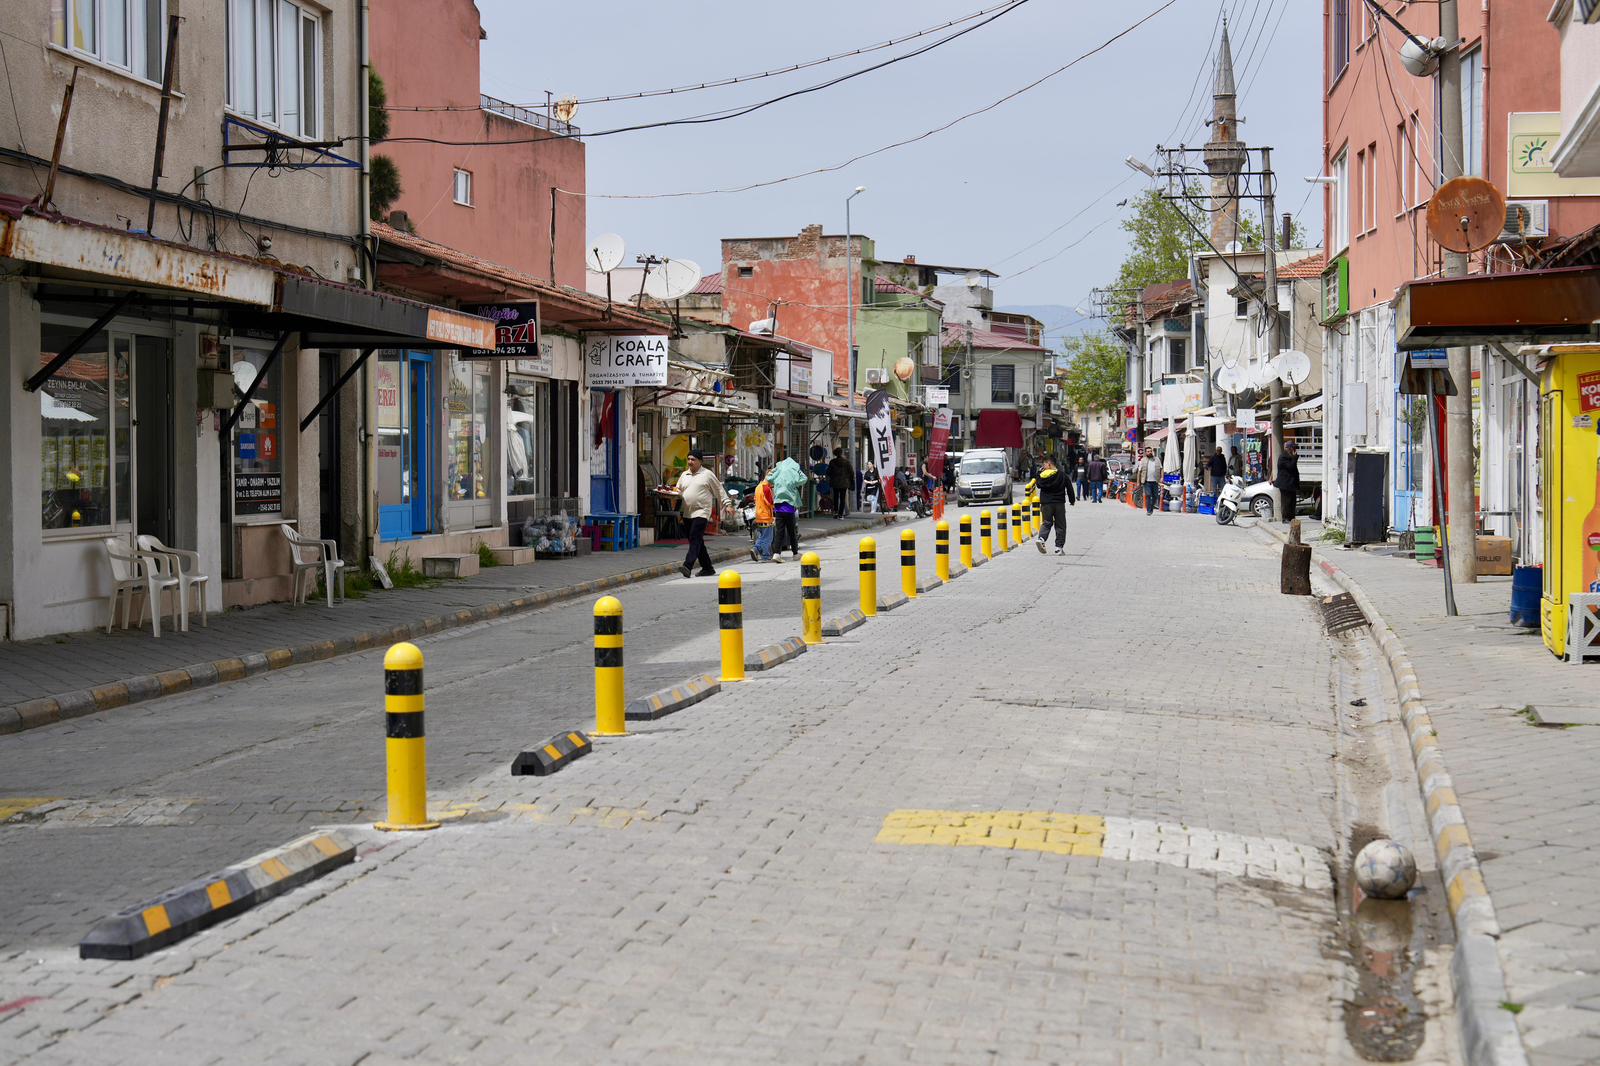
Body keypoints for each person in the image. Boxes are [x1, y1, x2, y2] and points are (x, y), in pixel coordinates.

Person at [675, 451, 725, 578]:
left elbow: (719, 489)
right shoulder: (684, 475)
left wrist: (727, 503)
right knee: (696, 541)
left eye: (693, 459)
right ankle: (707, 568)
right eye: (689, 459)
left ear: (700, 461)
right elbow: (678, 490)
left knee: (695, 536)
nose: (690, 462)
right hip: (687, 512)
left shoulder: (707, 475)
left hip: (702, 511)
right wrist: (672, 493)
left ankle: (688, 565)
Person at [1027, 457, 1069, 554]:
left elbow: (1038, 484)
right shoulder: (1062, 475)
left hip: (1046, 504)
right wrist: (1072, 500)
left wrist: (1038, 473)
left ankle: (1041, 539)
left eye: (1044, 465)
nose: (1043, 467)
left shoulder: (1042, 476)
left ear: (1049, 464)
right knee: (1060, 525)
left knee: (1046, 522)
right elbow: (1069, 487)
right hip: (1059, 503)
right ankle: (1059, 547)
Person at [769, 455, 806, 561]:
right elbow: (804, 479)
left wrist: (775, 469)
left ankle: (776, 554)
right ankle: (795, 554)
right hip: (789, 506)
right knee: (792, 531)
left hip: (778, 506)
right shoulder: (794, 471)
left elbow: (769, 478)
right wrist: (798, 471)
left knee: (779, 531)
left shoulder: (779, 470)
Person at [749, 473, 776, 563]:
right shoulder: (766, 488)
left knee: (762, 536)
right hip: (766, 516)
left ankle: (757, 551)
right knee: (767, 538)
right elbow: (770, 502)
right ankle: (763, 554)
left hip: (759, 516)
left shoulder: (758, 487)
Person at [1275, 441, 1301, 522]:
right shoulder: (1283, 457)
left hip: (1291, 483)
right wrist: (1295, 458)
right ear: (1288, 448)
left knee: (1292, 501)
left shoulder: (1290, 456)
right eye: (1293, 448)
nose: (1294, 449)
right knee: (1286, 501)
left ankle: (1292, 517)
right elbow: (1290, 467)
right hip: (1285, 484)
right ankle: (1285, 518)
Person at [827, 447, 854, 518]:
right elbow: (851, 472)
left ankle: (835, 512)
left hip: (835, 483)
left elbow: (828, 472)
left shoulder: (832, 462)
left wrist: (832, 477)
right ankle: (841, 514)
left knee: (835, 497)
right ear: (841, 453)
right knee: (842, 498)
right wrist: (850, 481)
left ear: (835, 453)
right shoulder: (847, 462)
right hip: (844, 483)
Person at [1139, 447, 1163, 515]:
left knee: (1155, 496)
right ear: (1146, 453)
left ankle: (1151, 508)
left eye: (1150, 451)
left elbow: (1161, 469)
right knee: (1148, 495)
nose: (1149, 452)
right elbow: (1139, 471)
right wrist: (1138, 482)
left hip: (1155, 481)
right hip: (1146, 481)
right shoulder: (1143, 460)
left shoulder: (1157, 459)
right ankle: (1149, 510)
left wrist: (1162, 477)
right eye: (1148, 451)